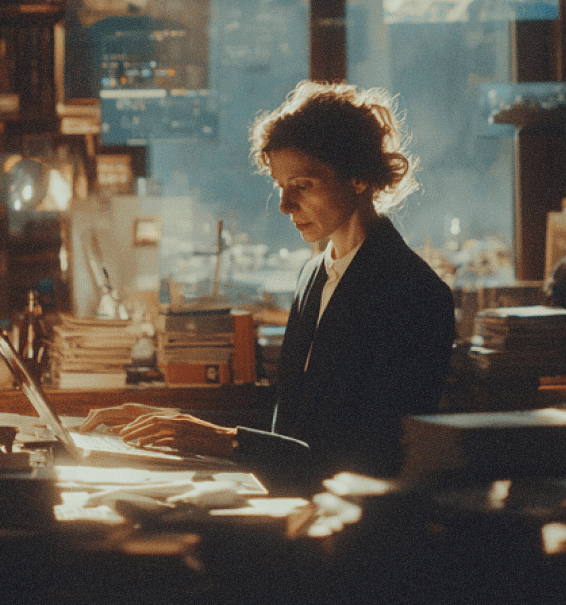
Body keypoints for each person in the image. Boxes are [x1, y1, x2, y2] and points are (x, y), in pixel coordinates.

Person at [82, 81, 456, 486]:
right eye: (280, 187)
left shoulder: (414, 293)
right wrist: (179, 423)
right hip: (291, 498)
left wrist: (222, 439)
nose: (284, 206)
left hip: (350, 521)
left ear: (359, 177)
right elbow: (292, 430)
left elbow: (372, 460)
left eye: (302, 186)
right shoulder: (312, 275)